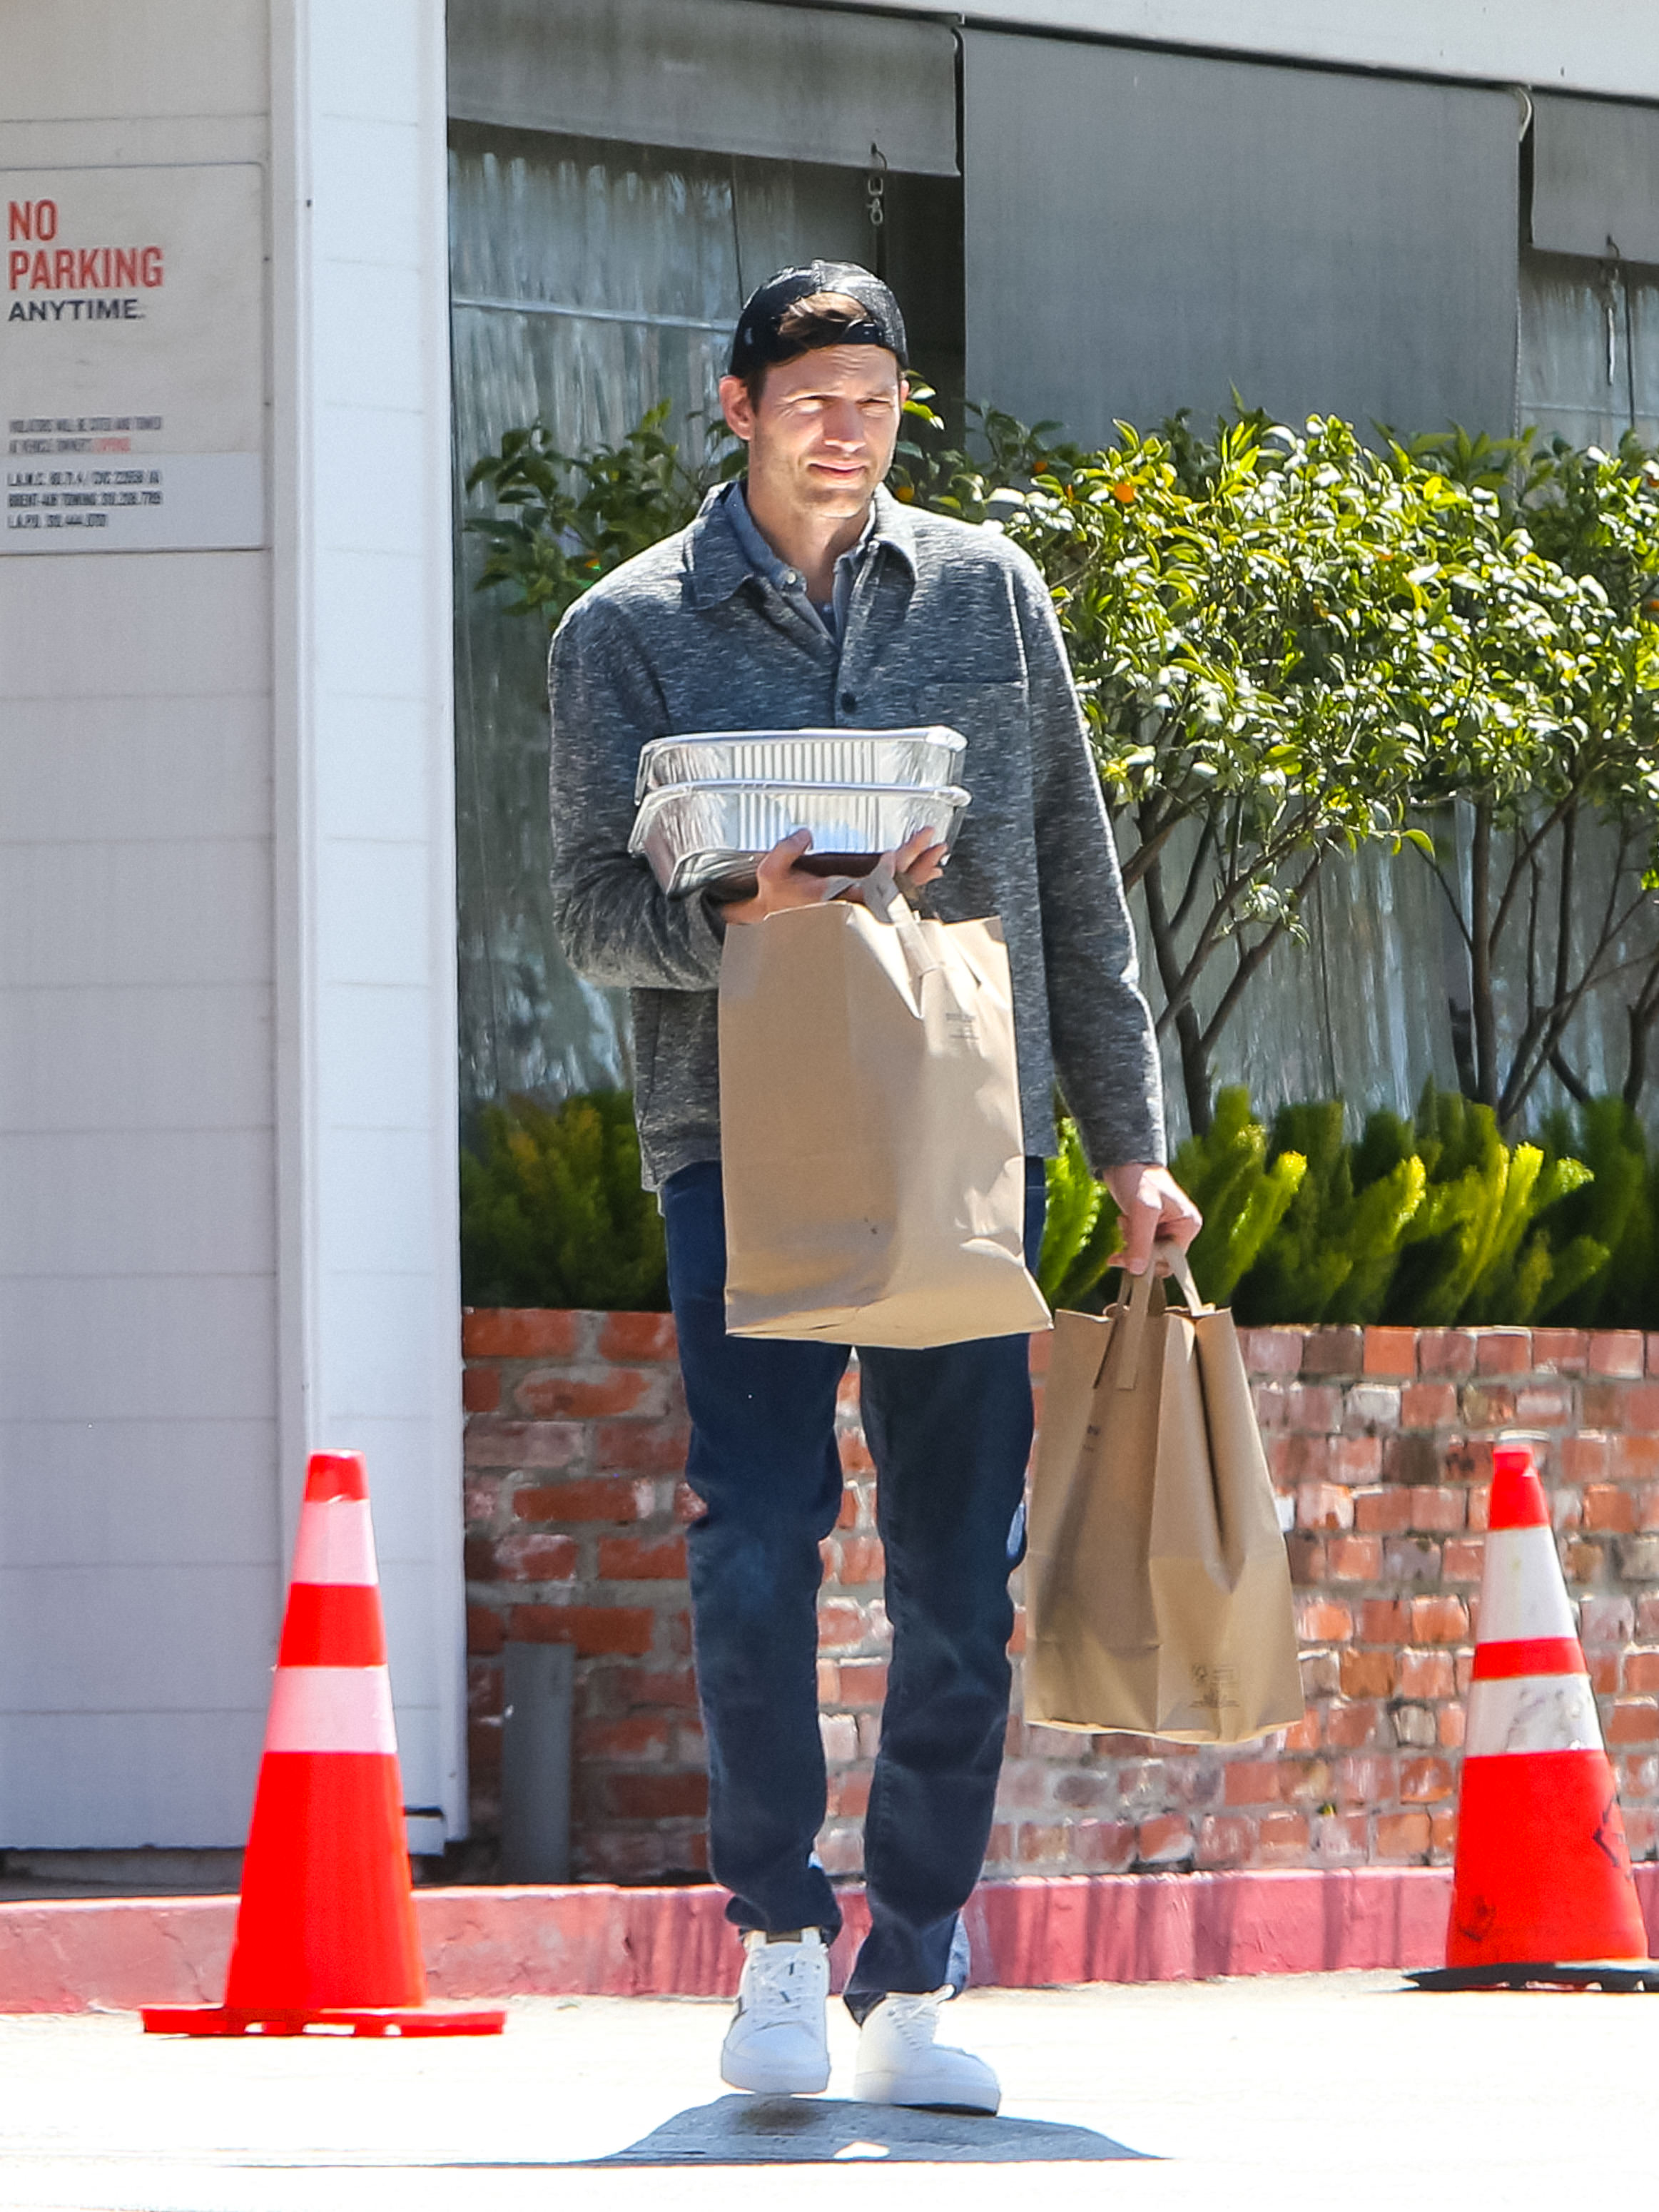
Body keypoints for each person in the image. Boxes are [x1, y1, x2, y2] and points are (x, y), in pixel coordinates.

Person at [547, 260, 1199, 2112]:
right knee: (755, 1538)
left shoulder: (988, 595)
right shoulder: (627, 629)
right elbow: (592, 912)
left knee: (957, 1573)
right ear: (738, 406)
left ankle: (914, 1962)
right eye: (815, 392)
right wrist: (734, 905)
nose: (852, 425)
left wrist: (1133, 1137)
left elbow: (1075, 876)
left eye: (880, 397)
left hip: (959, 1138)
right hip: (735, 1145)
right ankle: (772, 1937)